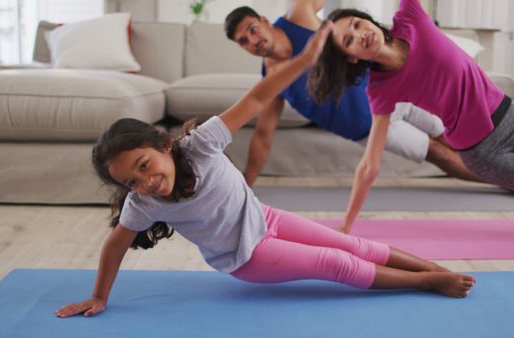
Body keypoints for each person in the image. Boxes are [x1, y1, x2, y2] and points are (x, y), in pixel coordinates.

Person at [54, 24, 476, 319]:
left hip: (265, 217)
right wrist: (98, 297)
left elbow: (258, 98)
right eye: (132, 181)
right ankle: (428, 282)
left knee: (356, 245)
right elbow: (114, 247)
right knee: (337, 263)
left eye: (144, 166)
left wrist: (305, 59)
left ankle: (431, 267)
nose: (145, 183)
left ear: (164, 145)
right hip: (247, 256)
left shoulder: (199, 144)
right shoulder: (143, 203)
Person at [307, 1, 514, 234]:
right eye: (348, 40)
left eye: (357, 25)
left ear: (367, 20)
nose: (360, 35)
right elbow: (370, 164)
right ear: (351, 57)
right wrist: (346, 225)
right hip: (482, 153)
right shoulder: (380, 89)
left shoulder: (411, 18)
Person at [224, 3, 496, 189]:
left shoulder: (299, 15)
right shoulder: (272, 80)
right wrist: (246, 185)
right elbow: (263, 136)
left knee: (452, 135)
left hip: (394, 91)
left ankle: (511, 166)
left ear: (262, 20)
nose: (253, 40)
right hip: (368, 128)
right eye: (243, 41)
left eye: (252, 29)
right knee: (439, 154)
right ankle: (506, 180)